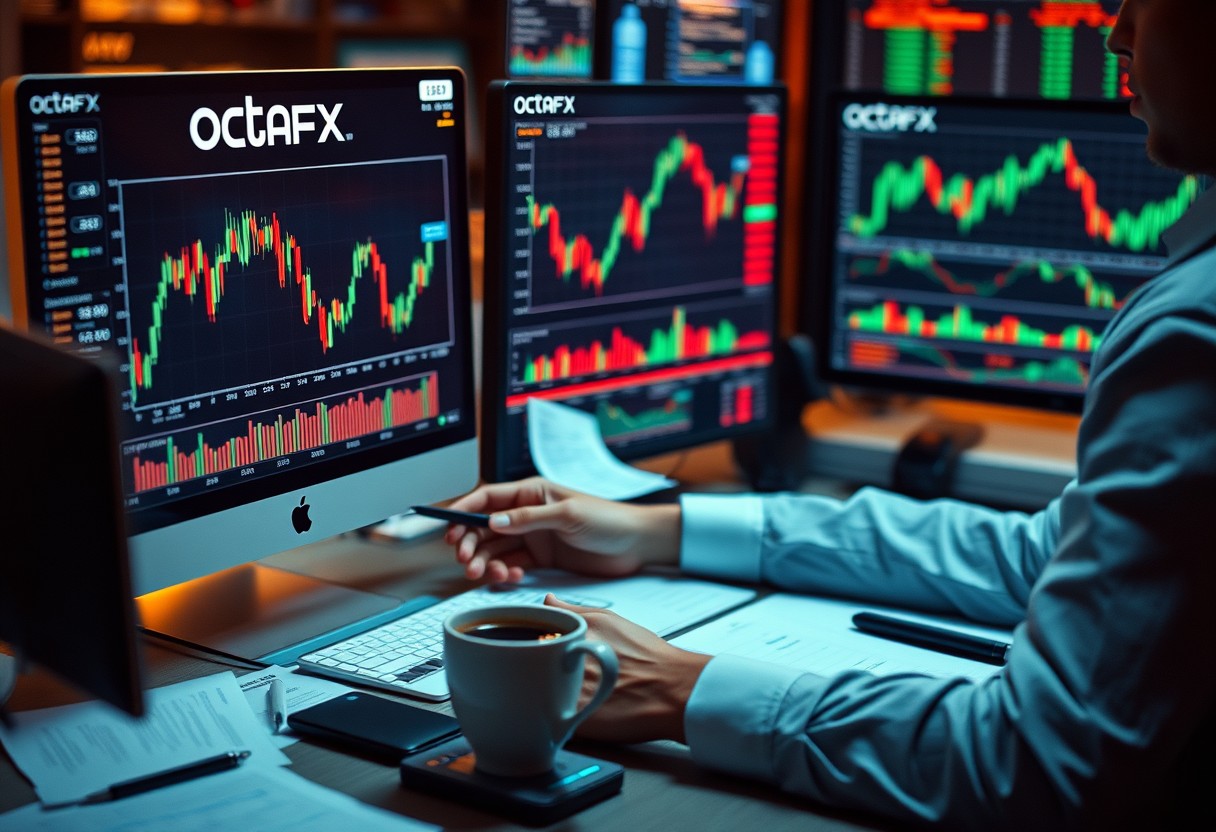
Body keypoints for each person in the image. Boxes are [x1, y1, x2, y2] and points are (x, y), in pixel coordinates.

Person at [443, 1, 1216, 828]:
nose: (1116, 30)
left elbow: (1036, 763)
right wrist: (661, 529)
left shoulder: (1193, 332)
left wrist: (673, 687)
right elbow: (1034, 555)